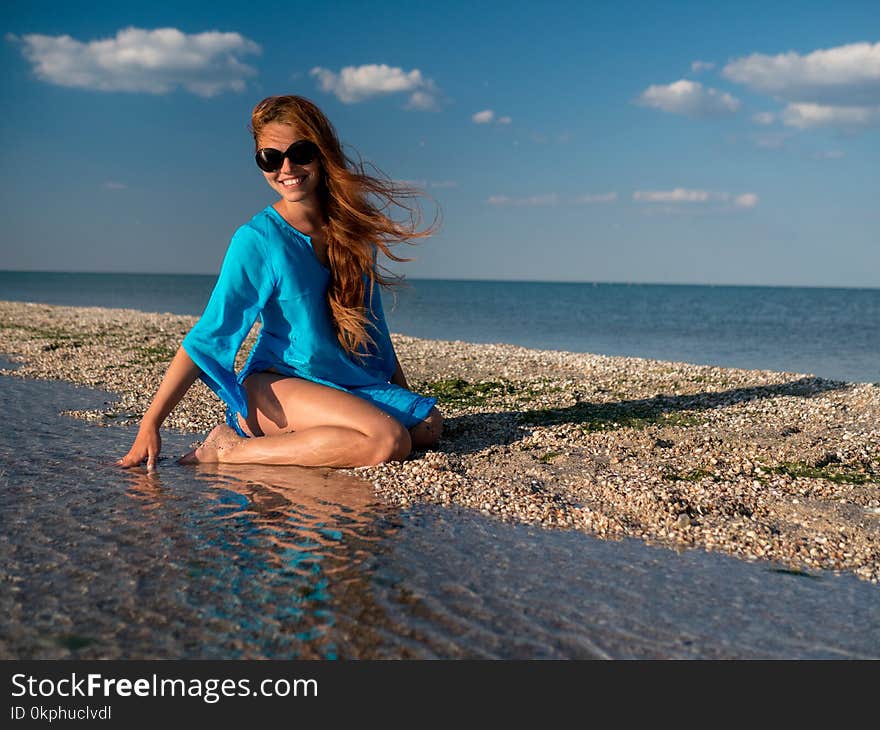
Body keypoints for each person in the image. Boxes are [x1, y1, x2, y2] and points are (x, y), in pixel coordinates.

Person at [116, 95, 444, 470]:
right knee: (388, 441)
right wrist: (151, 422)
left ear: (322, 152)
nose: (286, 168)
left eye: (299, 152)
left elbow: (373, 327)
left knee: (428, 426)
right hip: (276, 385)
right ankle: (226, 450)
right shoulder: (258, 239)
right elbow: (210, 335)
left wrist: (400, 392)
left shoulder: (353, 232)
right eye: (270, 158)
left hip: (341, 380)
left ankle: (298, 442)